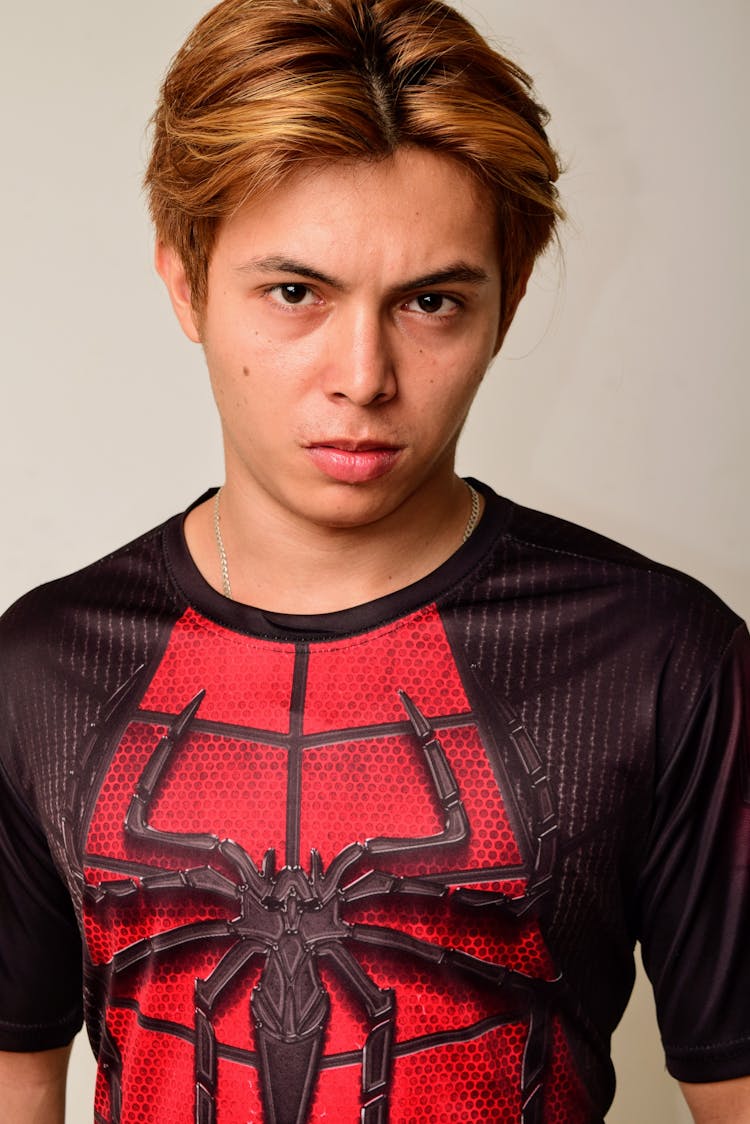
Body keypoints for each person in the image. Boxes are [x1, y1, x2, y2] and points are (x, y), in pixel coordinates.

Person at [0, 0, 748, 1120]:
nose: (364, 374)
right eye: (296, 292)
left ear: (511, 303)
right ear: (184, 281)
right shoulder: (45, 666)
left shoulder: (662, 657)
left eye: (432, 301)